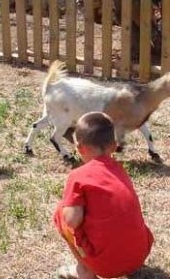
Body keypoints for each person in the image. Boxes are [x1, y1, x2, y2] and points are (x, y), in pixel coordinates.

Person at [53, 112, 154, 279]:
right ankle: (126, 262)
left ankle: (84, 271)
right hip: (139, 255)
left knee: (61, 213)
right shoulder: (119, 170)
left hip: (106, 267)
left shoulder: (78, 176)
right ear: (114, 146)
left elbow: (71, 220)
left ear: (79, 148)